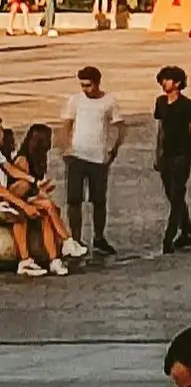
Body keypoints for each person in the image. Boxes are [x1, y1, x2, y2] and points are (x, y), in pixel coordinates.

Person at [58, 64, 125, 259]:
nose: (85, 89)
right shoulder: (75, 101)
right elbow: (67, 124)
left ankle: (98, 236)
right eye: (83, 85)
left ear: (97, 83)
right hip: (77, 155)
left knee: (98, 200)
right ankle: (76, 238)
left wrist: (114, 148)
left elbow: (120, 126)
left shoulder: (109, 101)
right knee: (74, 200)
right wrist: (65, 148)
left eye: (88, 85)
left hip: (98, 157)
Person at [3, 124, 82, 275]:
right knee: (47, 205)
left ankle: (55, 260)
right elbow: (16, 189)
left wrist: (40, 190)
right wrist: (34, 189)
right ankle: (66, 241)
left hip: (26, 198)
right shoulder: (22, 161)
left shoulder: (37, 161)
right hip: (16, 200)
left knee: (46, 215)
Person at [154, 65, 191, 253]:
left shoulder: (188, 105)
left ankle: (169, 237)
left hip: (182, 154)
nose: (164, 83)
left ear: (177, 83)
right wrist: (157, 153)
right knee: (172, 195)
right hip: (167, 154)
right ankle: (187, 232)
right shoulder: (161, 103)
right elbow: (160, 129)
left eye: (167, 80)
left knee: (177, 193)